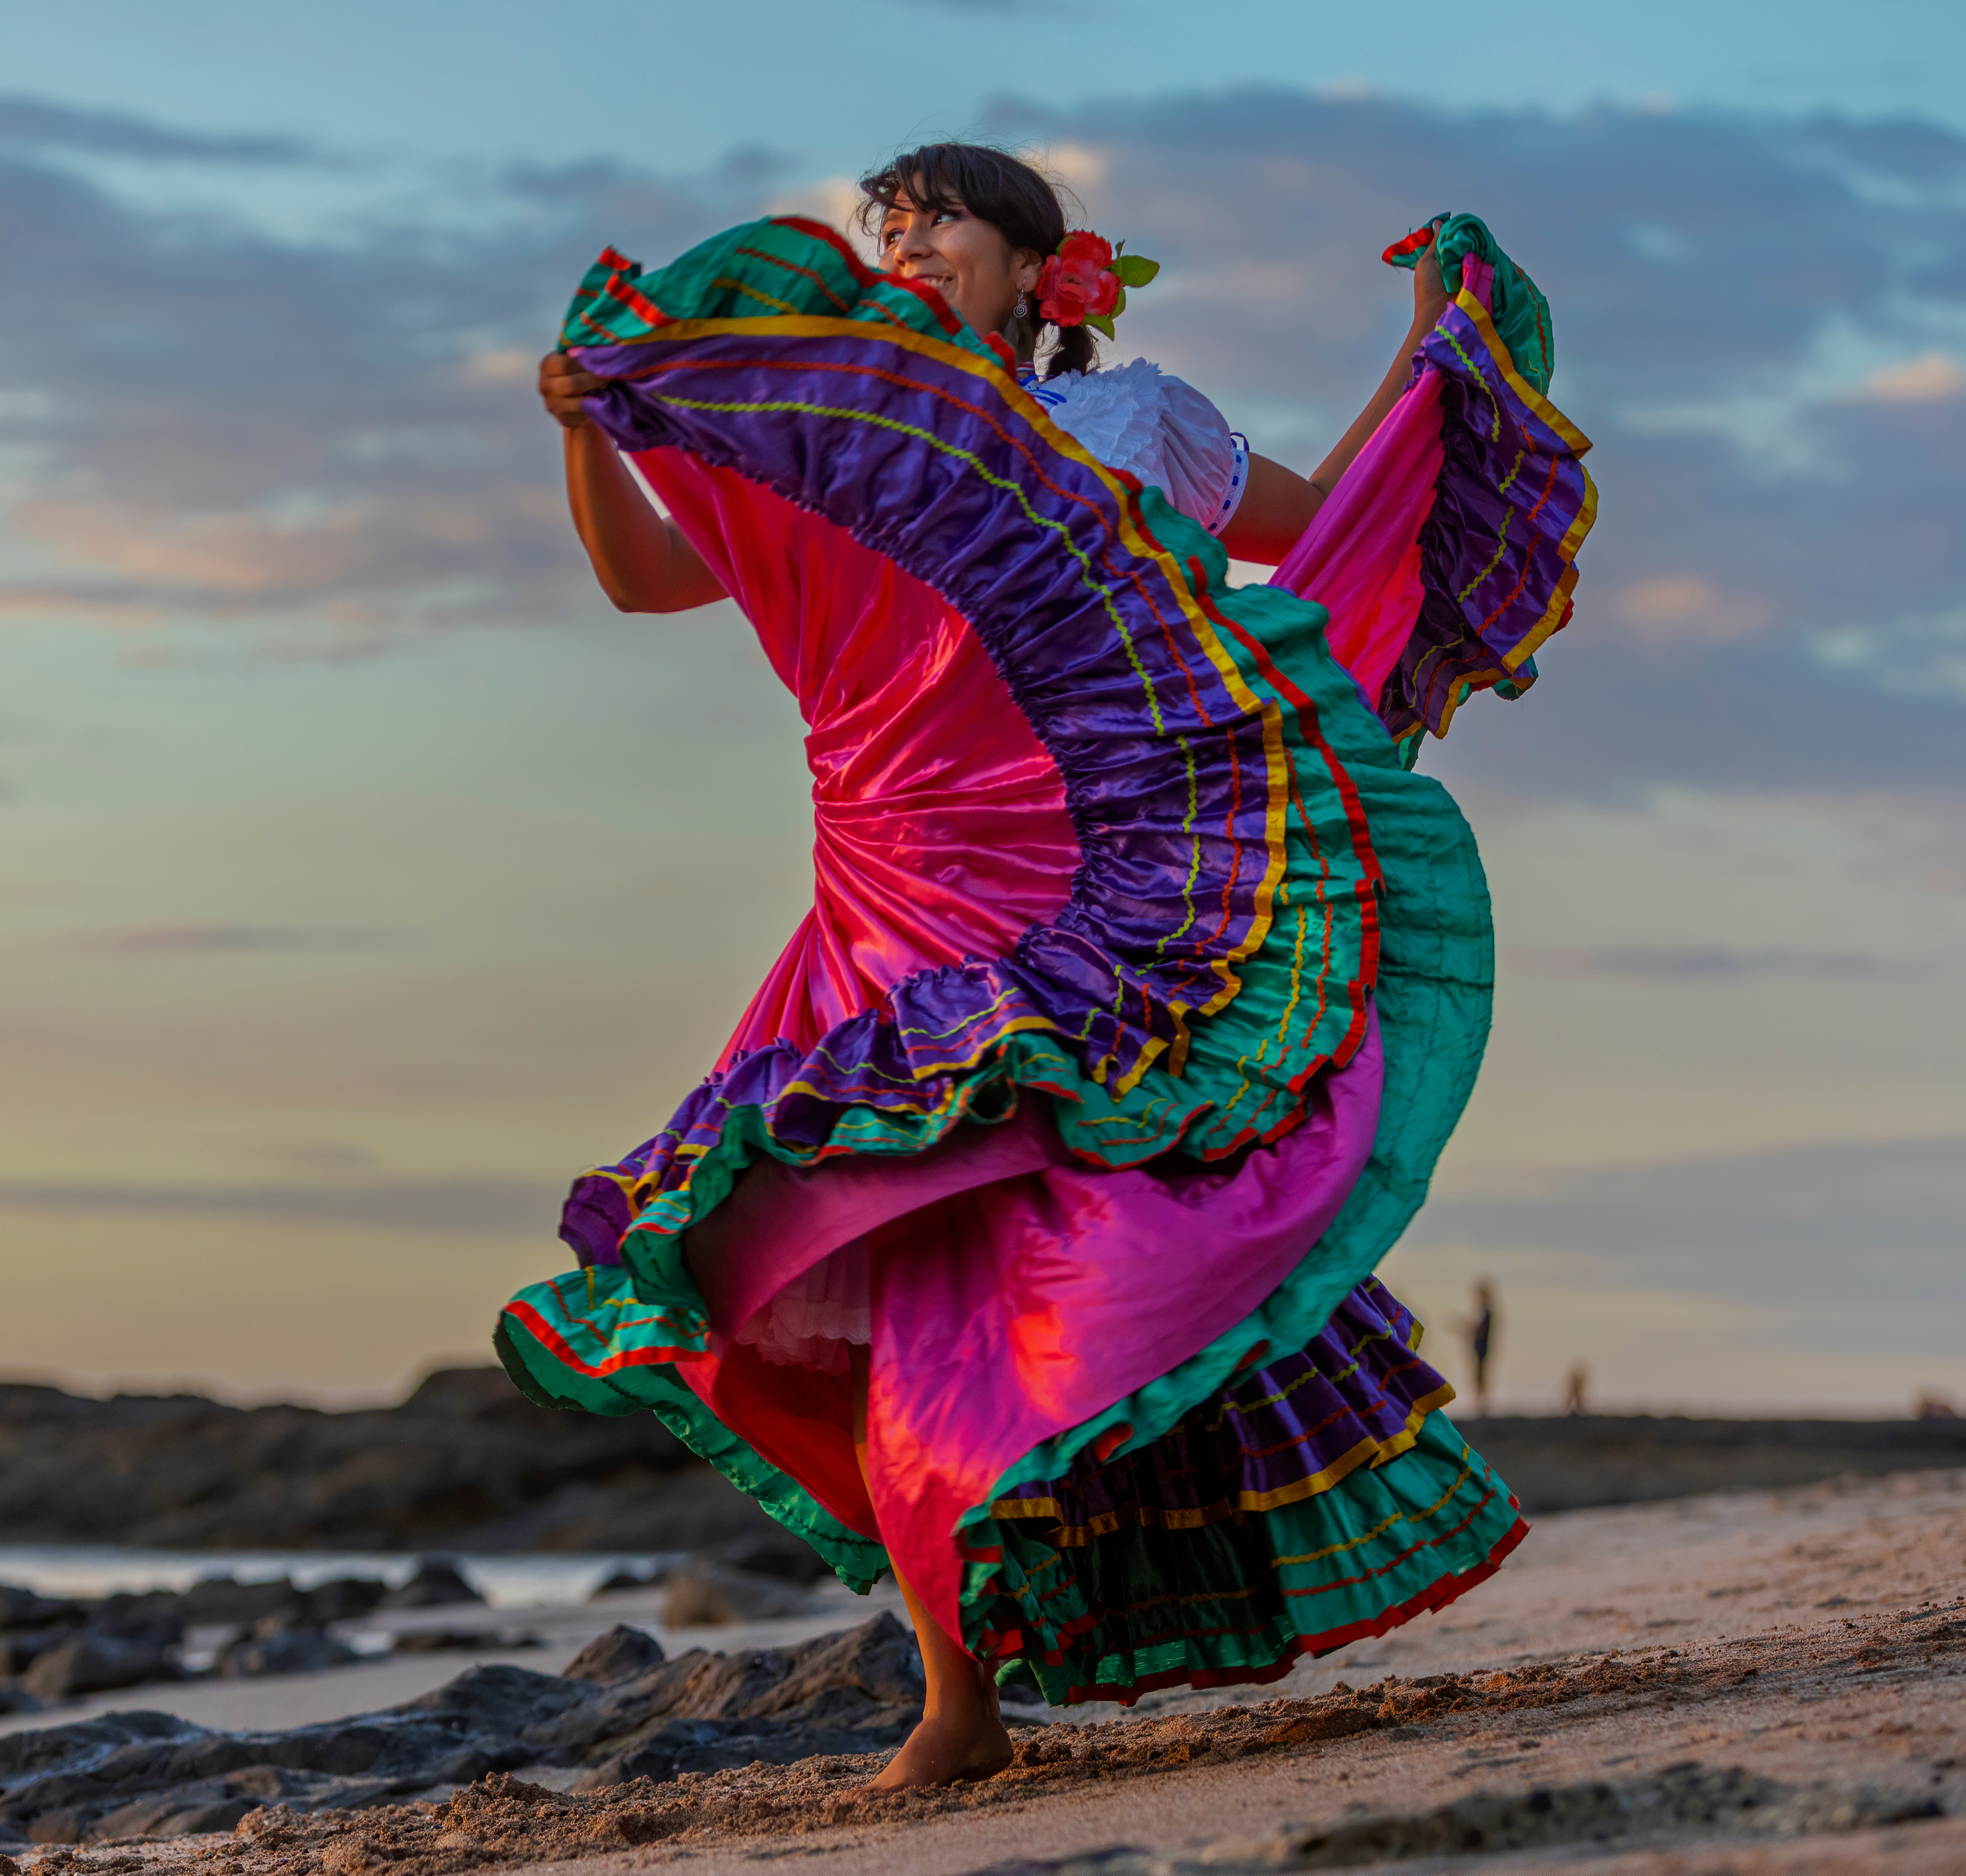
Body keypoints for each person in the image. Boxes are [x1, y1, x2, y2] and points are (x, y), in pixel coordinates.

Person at [499, 143, 1593, 1789]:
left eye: (941, 220)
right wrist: (589, 426)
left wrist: (1431, 346)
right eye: (888, 224)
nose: (908, 243)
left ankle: (970, 1697)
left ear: (1040, 270)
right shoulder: (838, 431)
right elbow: (647, 577)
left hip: (1114, 875)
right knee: (886, 1250)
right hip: (893, 882)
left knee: (1102, 1225)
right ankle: (962, 1693)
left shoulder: (1133, 418)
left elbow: (1328, 533)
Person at [1470, 1280, 1500, 1417]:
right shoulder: (1486, 1314)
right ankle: (1482, 1406)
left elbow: (1482, 1331)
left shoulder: (1488, 1314)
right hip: (1481, 1349)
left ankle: (1482, 1407)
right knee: (1480, 1378)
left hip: (1483, 1349)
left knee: (1481, 1378)